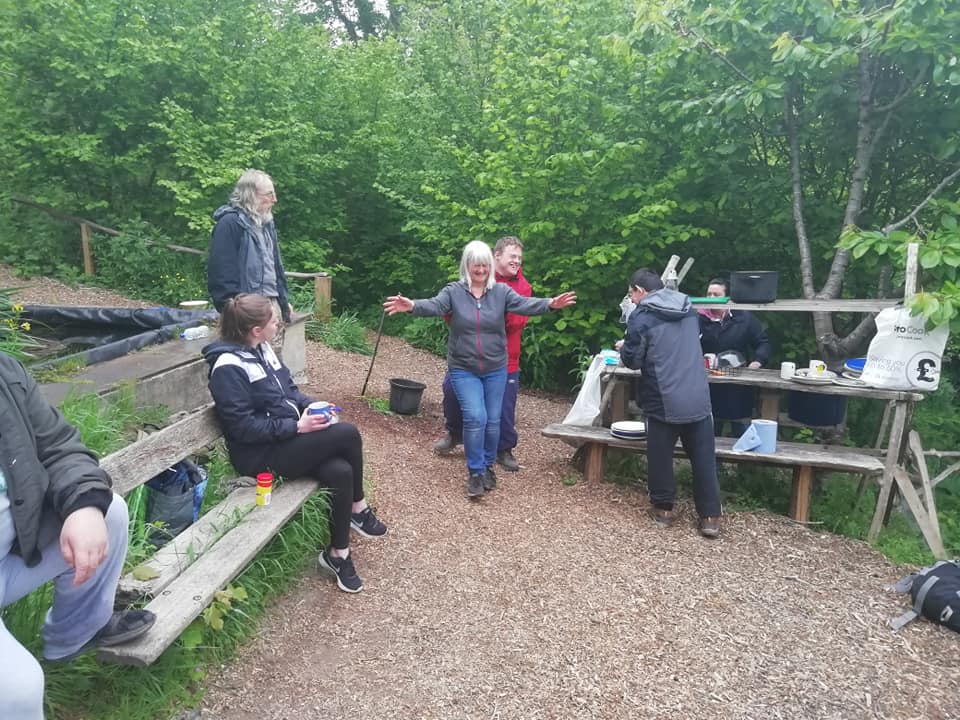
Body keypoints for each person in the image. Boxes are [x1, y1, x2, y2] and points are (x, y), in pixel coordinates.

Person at [0, 354, 155, 719]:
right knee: (19, 691)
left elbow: (59, 446)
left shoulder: (6, 373)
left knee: (108, 511)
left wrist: (83, 506)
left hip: (9, 553)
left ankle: (73, 639)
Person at [203, 294, 385, 594]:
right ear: (255, 330)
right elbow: (242, 427)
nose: (279, 324)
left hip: (285, 441)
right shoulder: (227, 367)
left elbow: (289, 391)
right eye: (273, 321)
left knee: (340, 471)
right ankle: (358, 508)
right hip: (258, 456)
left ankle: (338, 555)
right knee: (348, 434)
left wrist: (312, 406)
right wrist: (297, 426)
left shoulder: (262, 349)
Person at [384, 241, 576, 499]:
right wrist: (413, 306)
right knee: (476, 417)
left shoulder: (500, 293)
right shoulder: (454, 292)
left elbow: (524, 304)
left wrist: (550, 304)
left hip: (496, 368)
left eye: (485, 264)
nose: (482, 269)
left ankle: (487, 466)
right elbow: (435, 305)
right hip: (464, 368)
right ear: (467, 265)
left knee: (493, 420)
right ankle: (475, 472)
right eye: (477, 264)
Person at [616, 268, 722, 538]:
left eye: (631, 294)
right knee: (703, 457)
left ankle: (663, 509)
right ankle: (710, 516)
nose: (631, 299)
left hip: (663, 395)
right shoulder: (687, 307)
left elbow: (633, 360)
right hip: (697, 392)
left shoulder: (642, 316)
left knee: (661, 455)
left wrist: (623, 346)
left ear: (640, 291)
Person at [433, 236, 531, 471]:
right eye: (512, 256)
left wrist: (487, 320)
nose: (516, 261)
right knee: (451, 390)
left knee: (502, 408)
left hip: (504, 359)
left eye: (519, 257)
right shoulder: (474, 279)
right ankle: (456, 434)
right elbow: (450, 313)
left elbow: (517, 321)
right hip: (467, 358)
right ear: (496, 257)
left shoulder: (521, 287)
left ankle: (503, 448)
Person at [207, 169, 294, 342]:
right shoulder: (229, 224)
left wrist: (282, 303)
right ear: (251, 195)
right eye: (269, 194)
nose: (274, 200)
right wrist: (236, 316)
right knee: (247, 363)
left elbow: (274, 269)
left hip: (270, 307)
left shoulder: (265, 224)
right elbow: (221, 277)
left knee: (271, 363)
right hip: (245, 314)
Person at [698, 277, 772, 436]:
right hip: (708, 388)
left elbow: (763, 342)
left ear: (728, 298)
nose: (711, 298)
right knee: (709, 437)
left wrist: (758, 361)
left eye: (716, 295)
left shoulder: (744, 318)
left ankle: (746, 461)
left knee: (743, 435)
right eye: (709, 294)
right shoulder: (698, 319)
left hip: (738, 388)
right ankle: (712, 462)